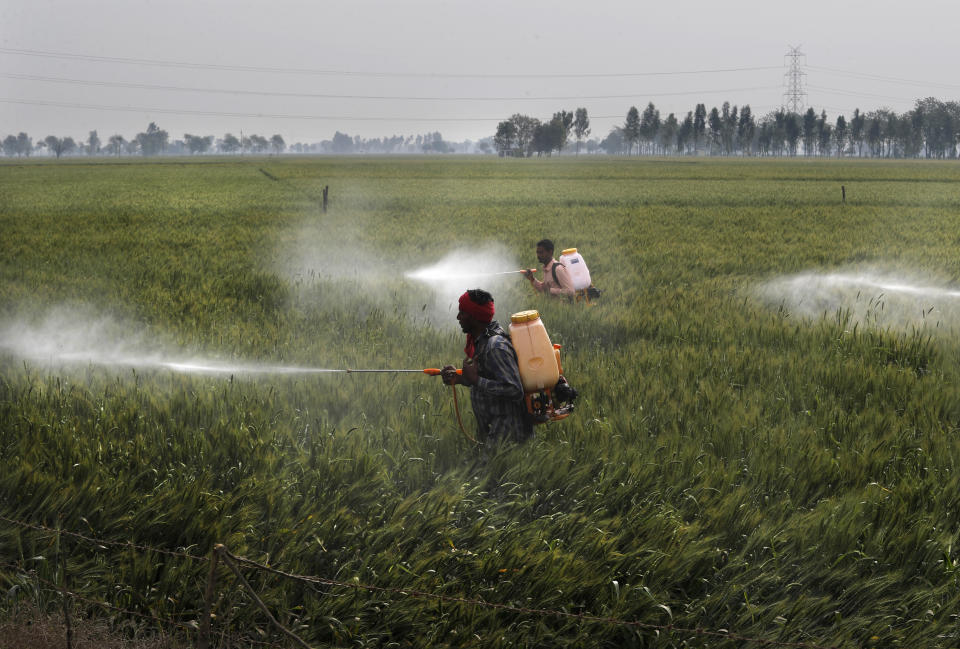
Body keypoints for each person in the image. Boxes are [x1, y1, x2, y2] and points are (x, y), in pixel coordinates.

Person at [441, 289, 533, 444]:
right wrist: (462, 379)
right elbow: (490, 379)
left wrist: (476, 380)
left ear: (474, 317)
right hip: (495, 433)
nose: (458, 317)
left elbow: (514, 389)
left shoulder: (495, 347)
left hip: (508, 437)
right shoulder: (481, 341)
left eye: (462, 313)